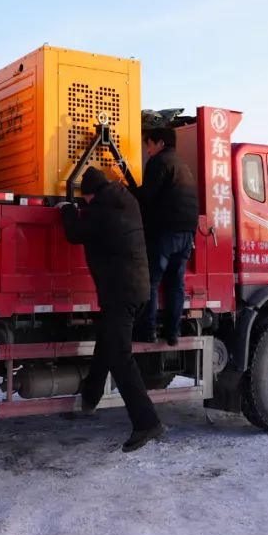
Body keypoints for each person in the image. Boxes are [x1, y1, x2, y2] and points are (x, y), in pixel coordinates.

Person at [59, 166, 164, 452]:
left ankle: (147, 422)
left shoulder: (101, 209)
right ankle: (89, 401)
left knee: (120, 357)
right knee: (105, 346)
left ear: (89, 195)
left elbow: (74, 233)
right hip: (135, 290)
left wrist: (67, 208)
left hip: (120, 293)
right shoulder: (125, 200)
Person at [133, 113, 199, 345]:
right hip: (187, 234)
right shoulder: (182, 165)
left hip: (166, 232)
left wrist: (127, 190)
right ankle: (173, 332)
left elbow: (147, 197)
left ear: (160, 143)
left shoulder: (159, 162)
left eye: (148, 144)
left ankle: (147, 330)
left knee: (151, 281)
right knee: (175, 283)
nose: (147, 149)